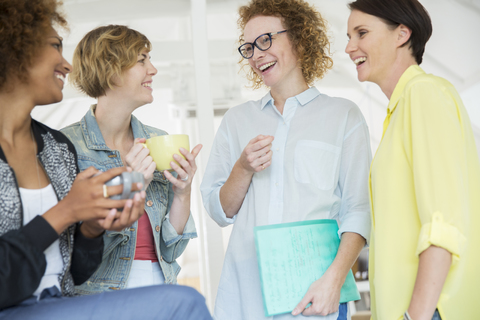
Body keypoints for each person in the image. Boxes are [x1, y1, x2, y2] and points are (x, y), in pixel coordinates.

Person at [0, 1, 211, 319]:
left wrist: (95, 227)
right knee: (186, 302)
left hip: (71, 296)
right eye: (142, 61)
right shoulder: (71, 143)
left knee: (184, 300)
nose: (67, 64)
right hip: (63, 299)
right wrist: (75, 209)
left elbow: (74, 266)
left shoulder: (55, 148)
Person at [200, 0, 372, 319]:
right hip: (245, 294)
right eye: (248, 47)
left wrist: (333, 282)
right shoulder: (237, 121)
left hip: (316, 293)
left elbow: (358, 210)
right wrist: (243, 168)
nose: (257, 54)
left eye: (266, 40)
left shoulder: (343, 116)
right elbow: (219, 210)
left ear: (299, 38)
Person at [345, 1, 480, 319]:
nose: (350, 47)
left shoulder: (424, 94)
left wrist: (414, 315)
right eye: (349, 36)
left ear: (401, 34)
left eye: (361, 33)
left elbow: (442, 224)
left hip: (429, 310)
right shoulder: (400, 110)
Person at [61, 25, 202, 292]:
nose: (153, 69)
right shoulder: (66, 147)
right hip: (100, 297)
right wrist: (130, 184)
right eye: (142, 60)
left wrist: (183, 193)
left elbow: (171, 252)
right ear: (110, 69)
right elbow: (73, 257)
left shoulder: (157, 140)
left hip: (161, 287)